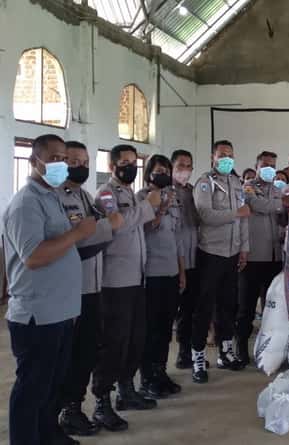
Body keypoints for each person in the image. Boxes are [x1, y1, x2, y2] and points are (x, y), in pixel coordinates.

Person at [4, 134, 97, 445]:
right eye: (54, 158)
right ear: (35, 161)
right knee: (31, 390)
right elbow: (33, 256)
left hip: (61, 311)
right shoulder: (26, 203)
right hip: (37, 314)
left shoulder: (54, 196)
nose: (61, 164)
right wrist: (78, 233)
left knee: (52, 385)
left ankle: (47, 435)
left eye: (64, 158)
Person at [56, 141, 123, 438]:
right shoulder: (56, 197)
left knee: (87, 351)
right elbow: (79, 238)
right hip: (71, 288)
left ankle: (74, 406)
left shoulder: (84, 195)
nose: (81, 167)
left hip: (93, 285)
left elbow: (96, 230)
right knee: (68, 354)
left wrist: (104, 229)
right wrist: (108, 228)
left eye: (85, 162)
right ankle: (63, 411)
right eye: (74, 161)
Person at [93, 144, 162, 421]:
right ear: (112, 166)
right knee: (114, 342)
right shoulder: (106, 194)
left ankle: (126, 390)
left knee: (135, 339)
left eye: (134, 162)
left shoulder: (130, 194)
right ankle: (102, 400)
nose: (131, 167)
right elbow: (116, 225)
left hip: (136, 278)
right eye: (125, 163)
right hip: (115, 281)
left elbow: (134, 225)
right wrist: (147, 207)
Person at [192, 140, 251, 383]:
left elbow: (244, 219)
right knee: (204, 307)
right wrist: (235, 213)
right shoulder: (205, 183)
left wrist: (244, 249)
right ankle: (198, 357)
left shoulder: (236, 183)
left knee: (228, 305)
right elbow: (205, 215)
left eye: (230, 155)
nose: (226, 159)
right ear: (213, 157)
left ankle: (225, 352)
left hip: (232, 253)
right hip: (210, 253)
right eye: (222, 155)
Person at [137, 155, 185, 399]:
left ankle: (160, 371)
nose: (163, 174)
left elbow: (177, 238)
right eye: (159, 170)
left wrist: (182, 271)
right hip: (151, 273)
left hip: (171, 271)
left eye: (166, 170)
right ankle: (147, 378)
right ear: (149, 173)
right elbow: (142, 229)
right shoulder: (141, 198)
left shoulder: (172, 198)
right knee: (151, 328)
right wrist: (161, 209)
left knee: (166, 329)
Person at [237, 151, 286, 365]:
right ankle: (241, 347)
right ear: (256, 166)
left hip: (274, 256)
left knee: (271, 307)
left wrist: (288, 208)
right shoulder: (247, 187)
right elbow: (259, 206)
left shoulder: (277, 190)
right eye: (265, 165)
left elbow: (283, 216)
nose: (269, 169)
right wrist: (282, 204)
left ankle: (267, 350)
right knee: (246, 307)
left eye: (273, 166)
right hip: (253, 256)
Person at [172, 149, 201, 370]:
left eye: (189, 166)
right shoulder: (165, 192)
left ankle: (187, 351)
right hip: (173, 261)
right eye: (181, 165)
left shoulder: (193, 192)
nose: (185, 170)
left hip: (195, 258)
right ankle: (180, 354)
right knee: (177, 310)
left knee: (191, 309)